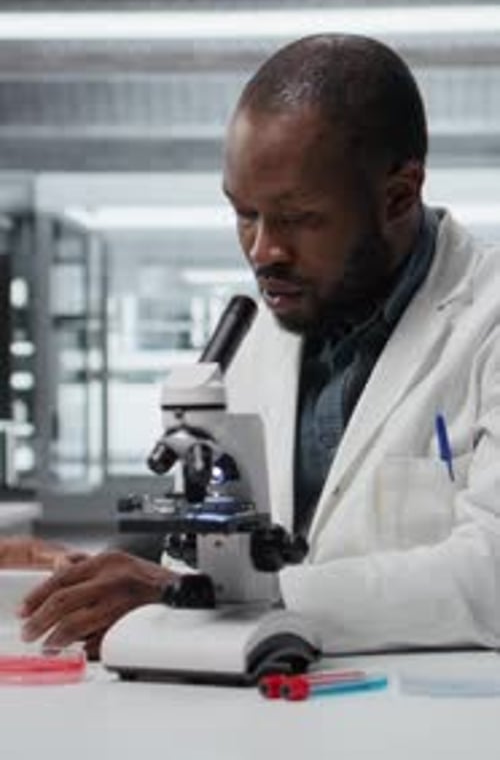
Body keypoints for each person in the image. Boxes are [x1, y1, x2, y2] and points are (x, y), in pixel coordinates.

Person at [16, 33, 500, 656]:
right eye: (244, 213)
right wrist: (98, 575)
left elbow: (489, 576)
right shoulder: (261, 329)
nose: (262, 251)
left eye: (298, 218)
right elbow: (210, 545)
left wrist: (203, 597)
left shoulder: (485, 316)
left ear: (398, 196)